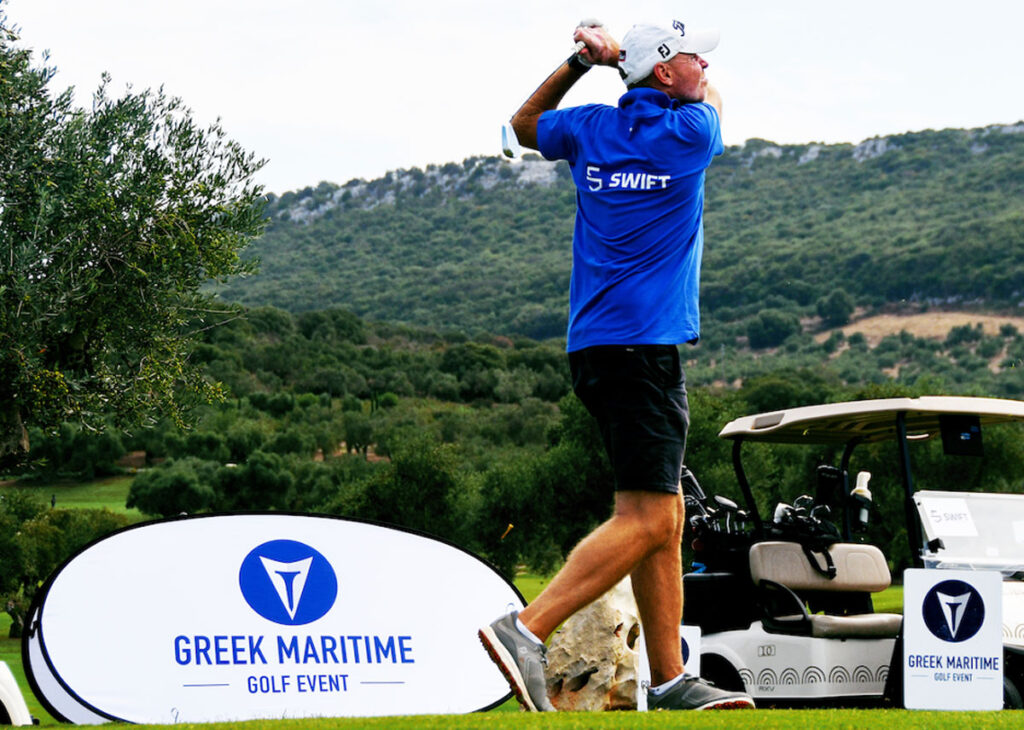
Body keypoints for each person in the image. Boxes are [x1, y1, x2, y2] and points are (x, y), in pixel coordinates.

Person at [478, 19, 755, 712]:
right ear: (665, 73)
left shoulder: (592, 128)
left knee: (663, 515)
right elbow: (712, 98)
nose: (702, 65)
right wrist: (625, 64)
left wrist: (585, 62)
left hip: (597, 348)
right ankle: (526, 628)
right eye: (690, 57)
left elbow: (523, 123)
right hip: (644, 352)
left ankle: (670, 679)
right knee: (649, 520)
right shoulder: (691, 132)